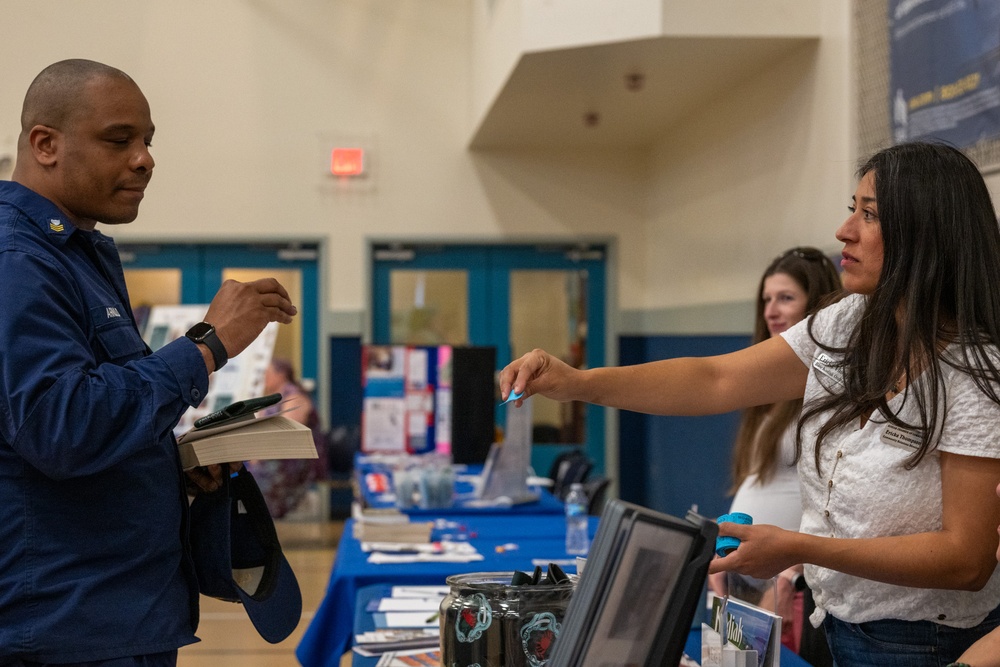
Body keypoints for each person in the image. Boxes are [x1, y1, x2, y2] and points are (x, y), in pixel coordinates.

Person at [500, 141, 1000, 666]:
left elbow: (963, 559)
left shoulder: (974, 373)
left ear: (925, 234)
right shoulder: (850, 323)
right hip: (836, 627)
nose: (844, 230)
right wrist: (578, 382)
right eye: (852, 208)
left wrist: (800, 548)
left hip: (928, 644)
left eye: (868, 214)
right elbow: (715, 379)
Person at [0, 59, 297, 664]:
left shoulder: (78, 256)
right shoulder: (18, 261)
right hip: (63, 629)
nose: (145, 158)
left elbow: (91, 416)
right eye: (119, 140)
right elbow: (62, 426)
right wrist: (207, 345)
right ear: (45, 144)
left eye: (147, 141)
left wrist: (169, 463)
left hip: (115, 617)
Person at [709, 246, 840, 664]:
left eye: (785, 298)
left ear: (816, 304)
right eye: (766, 300)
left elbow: (830, 494)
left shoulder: (828, 386)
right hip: (749, 577)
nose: (771, 310)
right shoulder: (772, 387)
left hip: (788, 582)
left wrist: (793, 571)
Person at [247, 357, 328, 517]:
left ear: (281, 374)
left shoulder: (294, 396)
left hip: (288, 463)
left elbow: (284, 434)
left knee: (248, 482)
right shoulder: (275, 397)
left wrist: (257, 454)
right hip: (271, 458)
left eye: (268, 373)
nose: (264, 377)